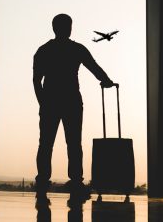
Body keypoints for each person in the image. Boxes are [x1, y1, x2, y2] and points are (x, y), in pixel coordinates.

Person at [33, 13, 114, 204]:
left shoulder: (44, 50)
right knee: (74, 143)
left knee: (46, 144)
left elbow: (37, 80)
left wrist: (43, 102)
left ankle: (43, 181)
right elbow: (93, 67)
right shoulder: (76, 49)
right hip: (71, 101)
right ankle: (76, 181)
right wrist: (106, 81)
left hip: (51, 101)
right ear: (68, 28)